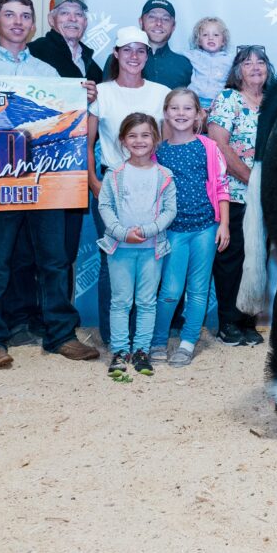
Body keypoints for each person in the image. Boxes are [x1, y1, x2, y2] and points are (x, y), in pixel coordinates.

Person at [0, 0, 99, 367]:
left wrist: (82, 97)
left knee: (54, 260)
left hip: (45, 181)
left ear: (33, 24)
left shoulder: (48, 74)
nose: (18, 22)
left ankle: (60, 334)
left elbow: (66, 125)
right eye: (9, 15)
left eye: (25, 15)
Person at [10, 0, 102, 345]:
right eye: (64, 13)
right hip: (36, 163)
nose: (72, 18)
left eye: (78, 13)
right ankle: (24, 316)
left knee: (61, 249)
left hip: (72, 163)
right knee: (27, 248)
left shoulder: (92, 62)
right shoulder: (38, 54)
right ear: (51, 21)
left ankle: (54, 321)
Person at [88, 27, 172, 351]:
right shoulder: (102, 93)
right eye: (127, 50)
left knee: (149, 259)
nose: (134, 56)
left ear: (147, 56)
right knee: (114, 260)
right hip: (112, 182)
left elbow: (167, 141)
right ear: (116, 54)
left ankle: (142, 338)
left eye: (140, 50)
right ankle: (114, 338)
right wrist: (93, 181)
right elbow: (87, 141)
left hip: (151, 183)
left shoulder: (161, 92)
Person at [148, 89, 231, 367]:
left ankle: (187, 341)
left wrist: (224, 224)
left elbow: (221, 186)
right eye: (175, 108)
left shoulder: (208, 147)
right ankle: (158, 339)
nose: (181, 114)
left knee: (198, 290)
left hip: (206, 228)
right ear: (166, 113)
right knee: (170, 290)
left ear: (198, 114)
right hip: (173, 231)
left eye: (187, 108)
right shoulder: (158, 152)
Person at [96, 113, 176, 380]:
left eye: (145, 135)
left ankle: (141, 349)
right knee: (120, 302)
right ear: (122, 140)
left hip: (152, 249)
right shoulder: (114, 174)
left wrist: (149, 230)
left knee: (146, 302)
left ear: (155, 139)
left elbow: (169, 210)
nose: (139, 141)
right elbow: (105, 206)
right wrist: (121, 233)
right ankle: (120, 351)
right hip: (119, 249)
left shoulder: (164, 175)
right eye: (132, 135)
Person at [207, 44, 269, 346]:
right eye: (247, 62)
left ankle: (248, 320)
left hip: (267, 195)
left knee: (258, 257)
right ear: (237, 70)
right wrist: (250, 179)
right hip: (233, 192)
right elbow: (219, 146)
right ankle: (228, 322)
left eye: (261, 62)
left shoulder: (273, 102)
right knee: (232, 258)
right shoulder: (228, 99)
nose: (255, 66)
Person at [103, 0, 193, 88]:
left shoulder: (185, 64)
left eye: (165, 19)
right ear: (141, 21)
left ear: (173, 26)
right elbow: (106, 95)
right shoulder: (120, 60)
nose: (158, 23)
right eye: (152, 17)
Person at [187, 17, 233, 108]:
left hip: (218, 103)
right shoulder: (194, 55)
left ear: (223, 41)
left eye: (216, 35)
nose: (211, 38)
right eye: (205, 35)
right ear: (199, 41)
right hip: (194, 100)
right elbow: (175, 55)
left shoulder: (230, 60)